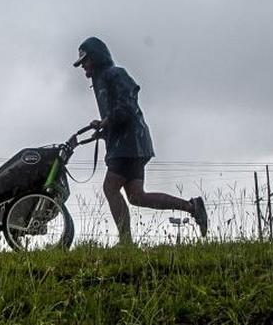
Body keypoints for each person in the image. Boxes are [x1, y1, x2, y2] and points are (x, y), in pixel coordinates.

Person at [74, 36, 208, 245]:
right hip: (129, 144)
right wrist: (103, 129)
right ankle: (192, 207)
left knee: (110, 187)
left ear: (97, 58)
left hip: (129, 144)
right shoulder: (101, 82)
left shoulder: (115, 74)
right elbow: (116, 115)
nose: (84, 67)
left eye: (86, 61)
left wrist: (106, 121)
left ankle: (126, 242)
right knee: (137, 196)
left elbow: (127, 106)